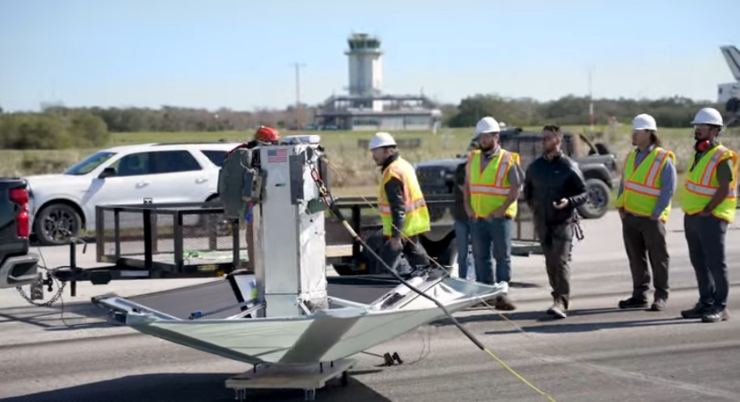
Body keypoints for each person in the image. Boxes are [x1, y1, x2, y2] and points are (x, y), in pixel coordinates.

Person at [523, 125, 588, 319]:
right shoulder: (535, 167)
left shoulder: (568, 166)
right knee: (550, 263)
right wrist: (536, 209)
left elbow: (584, 193)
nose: (543, 142)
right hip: (543, 222)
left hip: (563, 222)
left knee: (561, 262)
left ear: (558, 141)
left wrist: (569, 202)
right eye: (542, 138)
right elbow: (528, 192)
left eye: (547, 138)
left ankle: (561, 302)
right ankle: (556, 296)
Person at [680, 107, 738, 323]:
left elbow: (725, 188)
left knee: (716, 263)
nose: (697, 129)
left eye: (701, 126)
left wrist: (708, 209)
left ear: (714, 130)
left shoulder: (722, 156)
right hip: (693, 216)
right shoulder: (701, 153)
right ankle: (705, 302)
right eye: (696, 126)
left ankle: (720, 306)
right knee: (699, 263)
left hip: (711, 217)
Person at [615, 114, 677, 312]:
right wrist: (621, 207)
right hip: (630, 217)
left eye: (637, 131)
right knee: (636, 258)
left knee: (658, 258)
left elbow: (668, 189)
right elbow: (625, 184)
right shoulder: (632, 156)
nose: (633, 134)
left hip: (651, 219)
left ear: (649, 133)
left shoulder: (662, 158)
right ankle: (639, 295)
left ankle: (661, 295)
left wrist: (657, 213)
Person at [465, 116, 522, 310]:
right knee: (481, 257)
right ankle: (485, 295)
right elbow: (467, 185)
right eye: (481, 137)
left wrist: (501, 209)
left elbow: (516, 188)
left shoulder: (508, 159)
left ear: (496, 136)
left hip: (500, 218)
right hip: (478, 217)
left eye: (486, 137)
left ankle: (502, 296)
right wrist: (468, 207)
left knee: (502, 256)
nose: (483, 140)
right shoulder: (473, 157)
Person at [369, 132, 432, 276]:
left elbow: (398, 208)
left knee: (383, 270)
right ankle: (429, 277)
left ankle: (384, 293)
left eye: (375, 152)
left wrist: (396, 236)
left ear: (387, 150)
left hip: (401, 228)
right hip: (410, 224)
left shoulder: (392, 172)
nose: (373, 156)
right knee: (418, 260)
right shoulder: (404, 165)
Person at [227, 125, 281, 271]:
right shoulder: (251, 153)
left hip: (258, 199)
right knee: (254, 231)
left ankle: (256, 263)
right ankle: (256, 264)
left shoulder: (245, 150)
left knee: (254, 232)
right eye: (272, 142)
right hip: (255, 200)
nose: (274, 145)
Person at [452, 136, 480, 280]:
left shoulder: (482, 170)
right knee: (462, 253)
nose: (471, 154)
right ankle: (462, 278)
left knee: (478, 252)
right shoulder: (461, 169)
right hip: (461, 216)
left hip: (477, 216)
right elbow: (461, 188)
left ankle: (477, 279)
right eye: (470, 151)